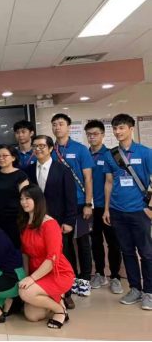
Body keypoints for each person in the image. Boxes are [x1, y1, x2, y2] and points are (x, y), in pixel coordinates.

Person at [104, 114, 152, 310]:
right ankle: (135, 289)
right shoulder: (111, 154)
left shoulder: (145, 152)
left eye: (122, 127)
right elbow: (109, 182)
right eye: (115, 128)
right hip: (117, 210)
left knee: (146, 253)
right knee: (127, 252)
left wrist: (150, 207)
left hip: (139, 210)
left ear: (131, 129)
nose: (118, 132)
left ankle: (149, 291)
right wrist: (107, 209)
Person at [25, 135, 78, 310]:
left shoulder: (63, 170)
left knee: (63, 256)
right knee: (39, 254)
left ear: (50, 148)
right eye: (35, 146)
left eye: (41, 146)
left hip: (58, 222)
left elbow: (71, 197)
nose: (38, 149)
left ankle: (66, 293)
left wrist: (69, 220)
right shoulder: (28, 171)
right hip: (35, 223)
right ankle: (43, 289)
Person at [19, 185, 75, 330]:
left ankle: (60, 310)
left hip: (57, 272)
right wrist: (26, 276)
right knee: (32, 316)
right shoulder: (25, 223)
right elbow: (25, 254)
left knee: (25, 292)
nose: (24, 202)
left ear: (38, 200)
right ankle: (56, 298)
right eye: (21, 199)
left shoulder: (50, 224)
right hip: (38, 272)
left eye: (28, 198)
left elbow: (52, 259)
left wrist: (32, 279)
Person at [51, 113, 95, 299]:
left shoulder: (80, 149)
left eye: (61, 124)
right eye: (54, 124)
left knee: (83, 242)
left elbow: (88, 178)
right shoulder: (50, 150)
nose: (57, 127)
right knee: (64, 244)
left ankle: (85, 278)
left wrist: (88, 203)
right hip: (59, 206)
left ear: (69, 127)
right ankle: (71, 277)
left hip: (79, 203)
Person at [85, 120, 122, 294]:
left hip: (108, 206)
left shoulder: (111, 155)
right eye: (89, 134)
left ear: (103, 135)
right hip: (89, 207)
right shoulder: (84, 154)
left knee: (113, 243)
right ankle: (99, 273)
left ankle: (115, 276)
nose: (92, 137)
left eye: (95, 134)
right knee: (95, 242)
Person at [0, 146, 29, 249]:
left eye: (4, 156)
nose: (1, 158)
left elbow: (26, 199)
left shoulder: (20, 175)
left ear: (13, 158)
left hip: (17, 218)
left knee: (16, 246)